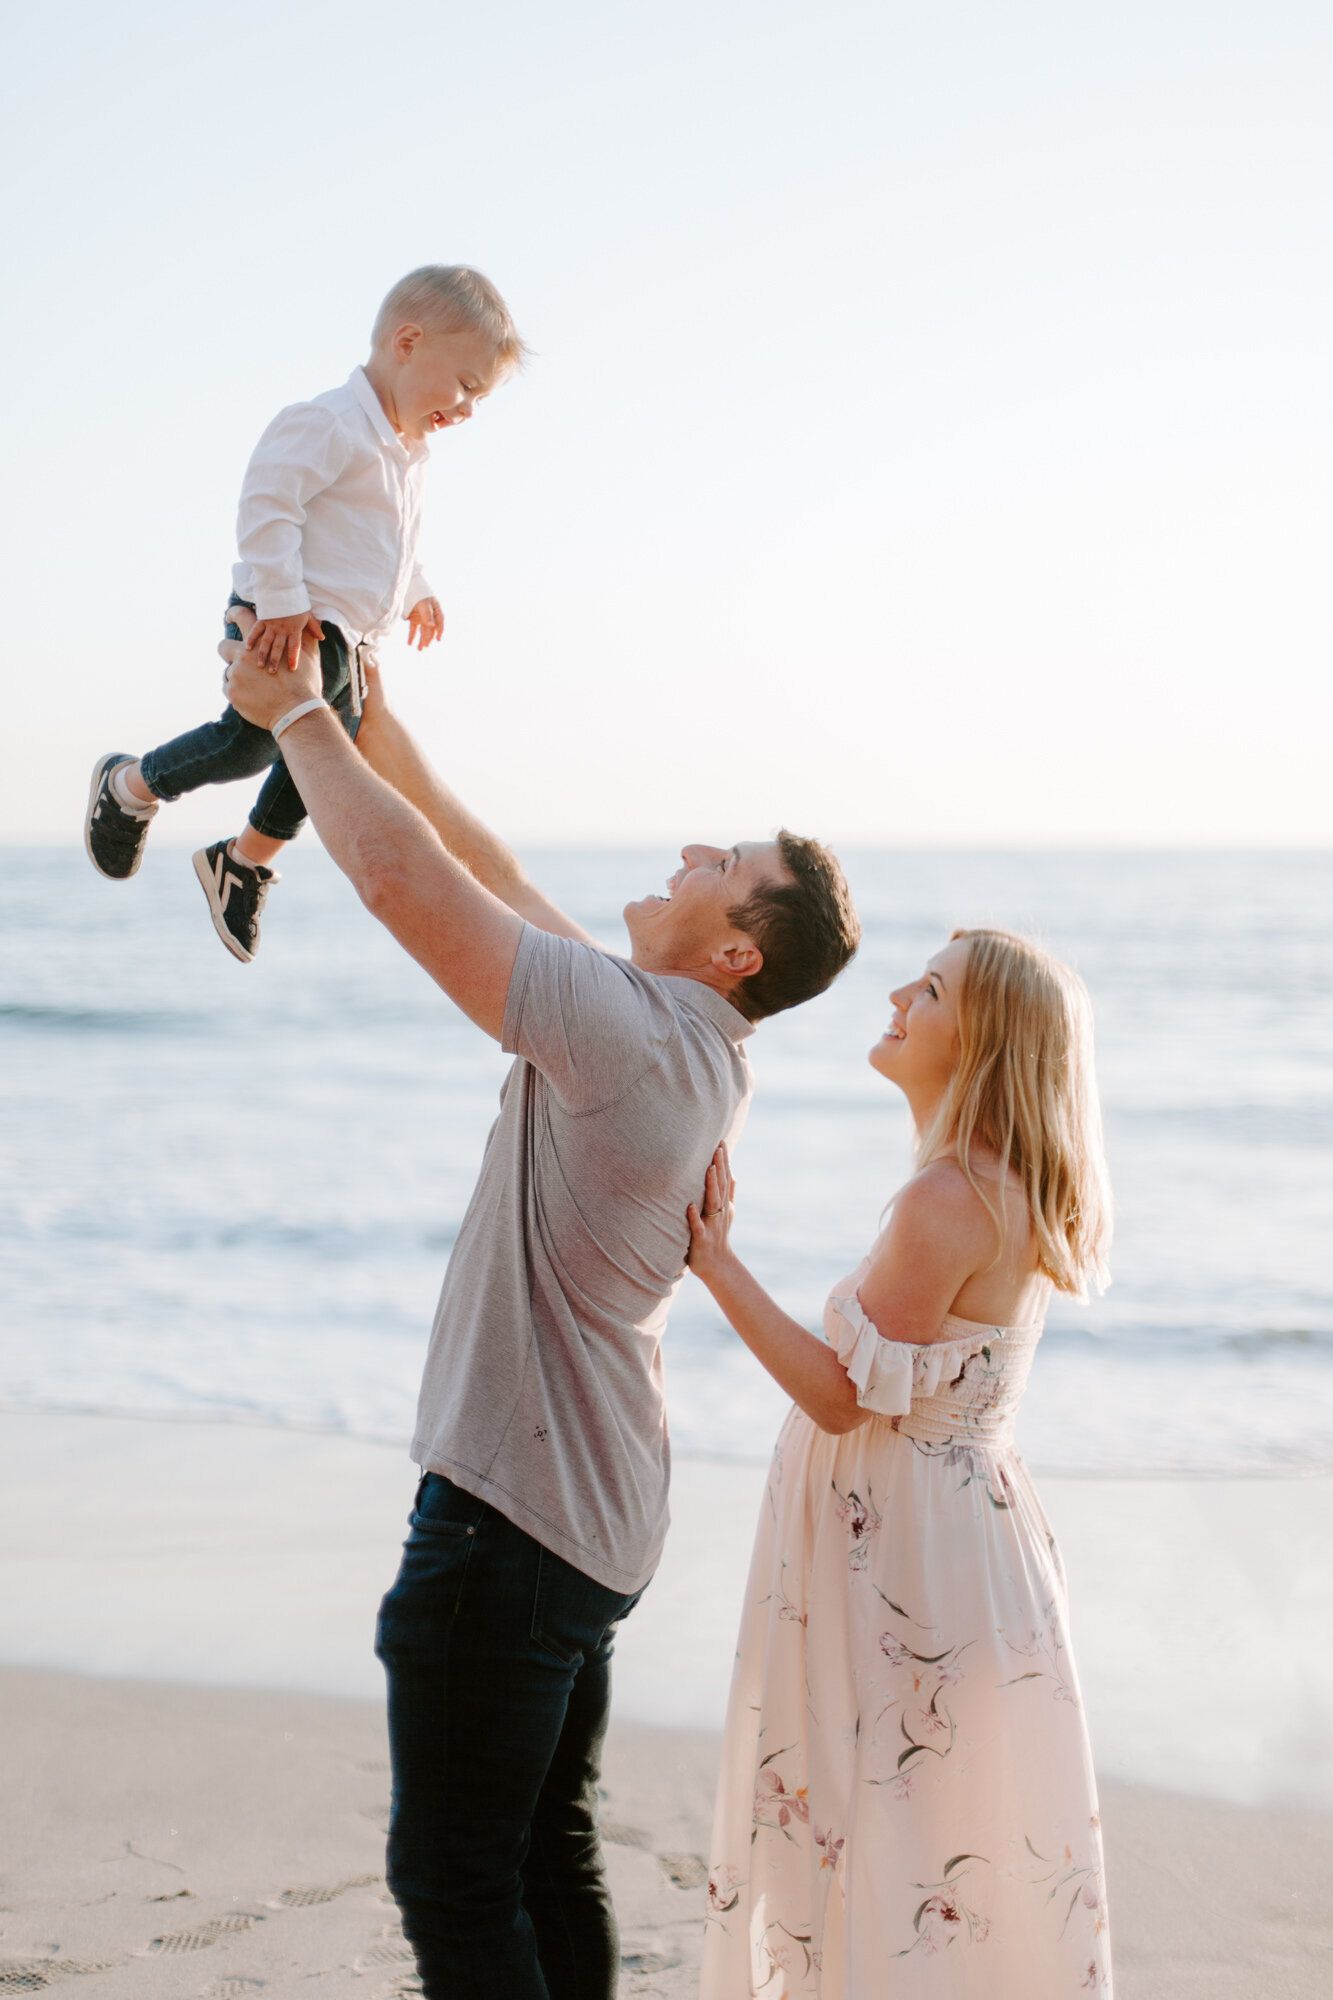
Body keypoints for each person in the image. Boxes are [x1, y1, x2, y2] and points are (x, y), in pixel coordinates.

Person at [218, 631, 862, 1999]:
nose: (691, 848)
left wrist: (292, 724)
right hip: (593, 1518)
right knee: (541, 1853)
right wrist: (369, 719)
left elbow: (400, 885)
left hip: (512, 1525)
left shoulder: (626, 1034)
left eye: (723, 864)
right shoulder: (676, 1040)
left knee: (455, 1885)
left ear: (737, 949)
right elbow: (485, 872)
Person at [685, 928, 1114, 1997]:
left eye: (927, 988)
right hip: (970, 1536)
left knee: (882, 1817)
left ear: (982, 1039)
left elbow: (838, 1393)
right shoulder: (1005, 1186)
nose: (894, 994)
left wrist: (713, 1259)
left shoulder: (945, 1200)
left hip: (906, 1553)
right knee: (949, 1830)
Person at [84, 264, 523, 962]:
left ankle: (243, 862)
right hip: (281, 614)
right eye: (466, 386)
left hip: (342, 636)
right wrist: (282, 605)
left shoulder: (408, 453)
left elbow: (389, 543)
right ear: (407, 342)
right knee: (248, 744)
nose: (467, 409)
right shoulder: (329, 423)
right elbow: (267, 507)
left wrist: (417, 591)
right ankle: (129, 785)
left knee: (328, 764)